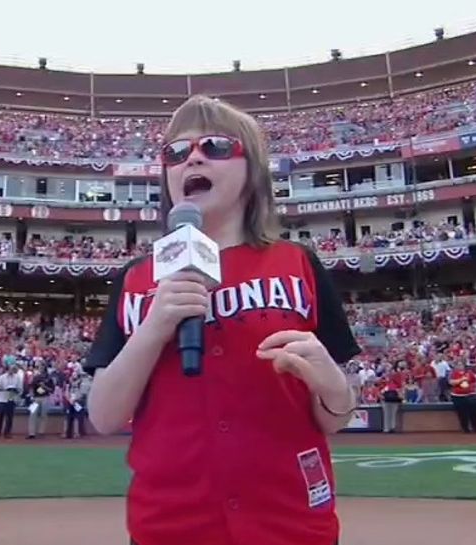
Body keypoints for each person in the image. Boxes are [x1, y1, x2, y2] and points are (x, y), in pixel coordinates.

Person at [84, 96, 360, 545]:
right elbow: (104, 416)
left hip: (288, 524)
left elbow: (337, 417)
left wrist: (331, 382)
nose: (191, 156)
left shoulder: (298, 264)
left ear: (251, 170)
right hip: (169, 525)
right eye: (175, 152)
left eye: (213, 146)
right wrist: (154, 328)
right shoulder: (136, 278)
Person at [0, 358, 22, 439]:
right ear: (8, 369)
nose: (12, 370)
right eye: (11, 369)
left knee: (9, 417)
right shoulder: (2, 377)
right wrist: (4, 389)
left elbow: (20, 389)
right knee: (0, 417)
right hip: (2, 399)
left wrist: (15, 390)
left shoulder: (17, 377)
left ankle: (7, 433)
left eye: (14, 369)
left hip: (11, 398)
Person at [449, 361, 476, 433]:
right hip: (458, 396)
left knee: (473, 412)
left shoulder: (469, 373)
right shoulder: (453, 373)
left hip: (470, 395)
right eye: (458, 365)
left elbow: (475, 382)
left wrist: (475, 390)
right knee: (462, 414)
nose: (460, 366)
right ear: (456, 366)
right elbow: (451, 382)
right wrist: (461, 380)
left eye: (461, 365)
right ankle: (465, 428)